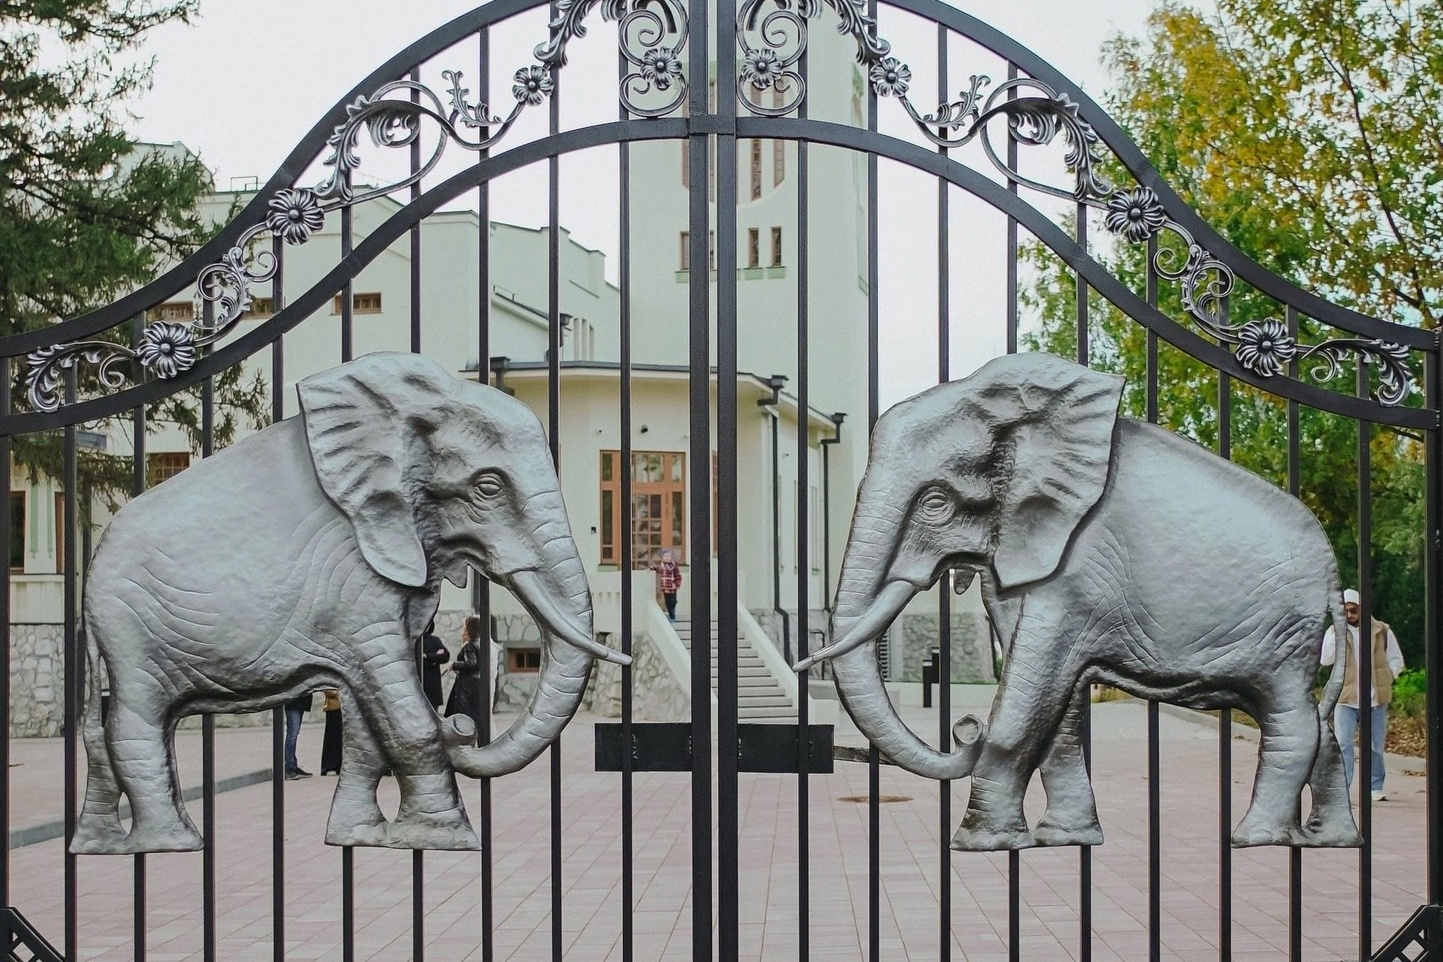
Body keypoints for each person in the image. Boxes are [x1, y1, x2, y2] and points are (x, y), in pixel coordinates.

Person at [1321, 588, 1404, 801]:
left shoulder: (1382, 630)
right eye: (1345, 611)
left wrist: (1387, 677)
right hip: (1346, 699)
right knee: (1343, 745)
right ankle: (1343, 790)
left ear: (1361, 609)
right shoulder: (1335, 631)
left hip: (1375, 700)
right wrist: (1337, 634)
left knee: (1375, 746)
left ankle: (1375, 786)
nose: (1350, 615)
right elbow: (1325, 659)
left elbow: (1396, 659)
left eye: (1353, 610)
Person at [444, 615, 487, 735]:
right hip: (475, 684)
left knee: (464, 717)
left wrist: (454, 664)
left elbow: (471, 663)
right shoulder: (480, 644)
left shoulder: (470, 645)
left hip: (466, 687)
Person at [417, 619, 451, 710]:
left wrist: (427, 656)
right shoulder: (416, 641)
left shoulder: (435, 640)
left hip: (432, 686)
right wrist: (434, 659)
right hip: (421, 684)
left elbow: (445, 656)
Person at [284, 691, 313, 780]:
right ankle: (289, 768)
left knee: (294, 732)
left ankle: (293, 765)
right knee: (292, 733)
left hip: (300, 701)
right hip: (293, 701)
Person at [650, 549, 682, 622]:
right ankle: (672, 616)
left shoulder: (674, 566)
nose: (667, 558)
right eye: (665, 556)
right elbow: (657, 569)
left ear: (670, 557)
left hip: (672, 586)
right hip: (665, 587)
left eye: (668, 556)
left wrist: (677, 584)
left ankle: (673, 610)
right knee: (668, 602)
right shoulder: (661, 566)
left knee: (673, 601)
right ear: (663, 557)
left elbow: (678, 575)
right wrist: (652, 568)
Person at [319, 687, 343, 776]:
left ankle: (338, 764)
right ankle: (329, 765)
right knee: (331, 736)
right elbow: (328, 690)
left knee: (340, 738)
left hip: (342, 707)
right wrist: (340, 693)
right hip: (333, 707)